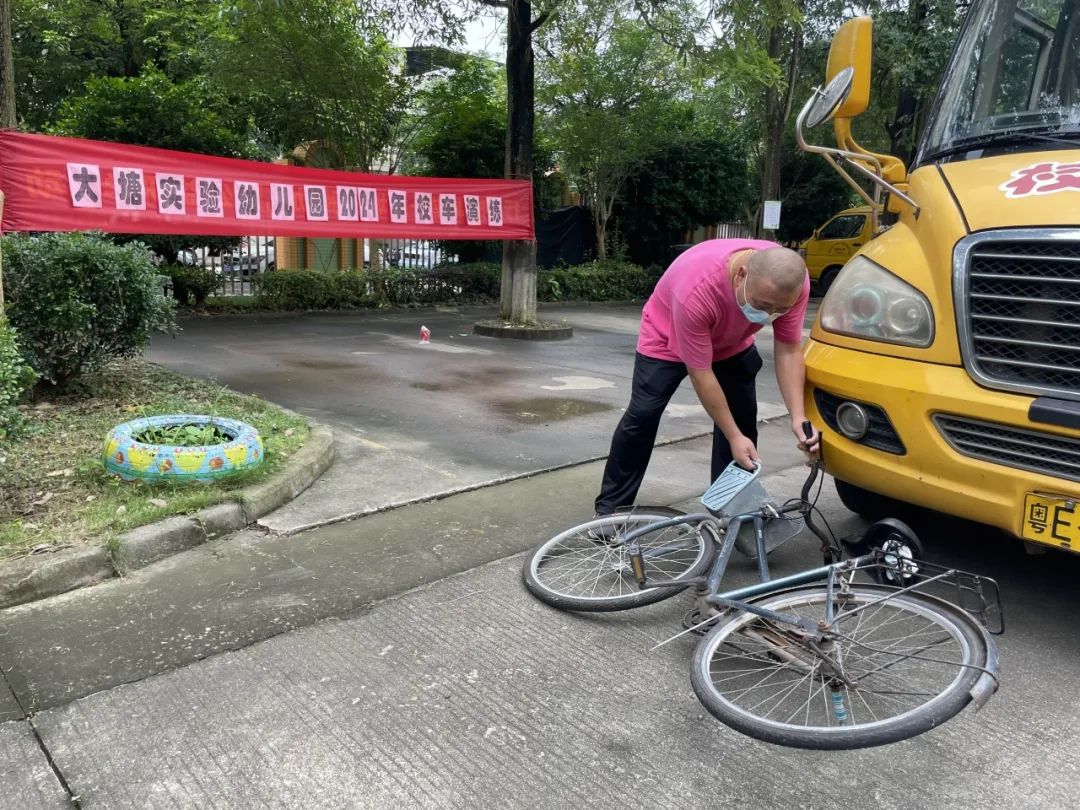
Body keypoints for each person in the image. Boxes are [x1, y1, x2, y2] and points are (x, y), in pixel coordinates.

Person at [594, 239, 821, 517]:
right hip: (665, 337)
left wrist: (798, 416)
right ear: (741, 275)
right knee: (643, 415)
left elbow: (788, 350)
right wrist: (733, 435)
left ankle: (733, 512)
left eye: (779, 309)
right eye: (762, 305)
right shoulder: (697, 289)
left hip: (732, 342)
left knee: (742, 420)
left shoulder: (791, 284)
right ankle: (610, 510)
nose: (768, 315)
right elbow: (701, 373)